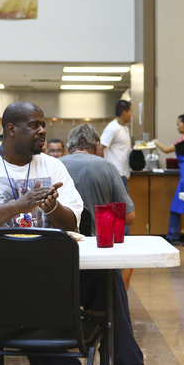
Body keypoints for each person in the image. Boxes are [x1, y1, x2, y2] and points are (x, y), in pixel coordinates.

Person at [0, 102, 154, 365]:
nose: (42, 130)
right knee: (32, 306)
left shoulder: (54, 167)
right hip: (4, 280)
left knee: (107, 277)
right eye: (34, 125)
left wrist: (53, 206)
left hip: (55, 271)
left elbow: (71, 221)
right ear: (11, 129)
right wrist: (18, 205)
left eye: (43, 124)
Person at [60, 123, 137, 290]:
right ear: (96, 146)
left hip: (61, 249)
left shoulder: (55, 166)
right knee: (128, 263)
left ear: (68, 147)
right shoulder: (107, 167)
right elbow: (130, 218)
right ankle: (116, 306)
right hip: (100, 250)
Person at [154, 114, 184, 245]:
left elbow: (167, 149)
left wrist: (155, 142)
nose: (177, 127)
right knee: (178, 205)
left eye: (178, 124)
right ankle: (173, 235)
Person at [100, 100, 133, 193]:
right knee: (122, 206)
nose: (131, 115)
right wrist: (103, 168)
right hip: (116, 174)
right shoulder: (112, 128)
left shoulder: (125, 128)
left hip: (123, 173)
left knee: (124, 206)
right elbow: (100, 147)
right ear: (124, 112)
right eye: (130, 112)